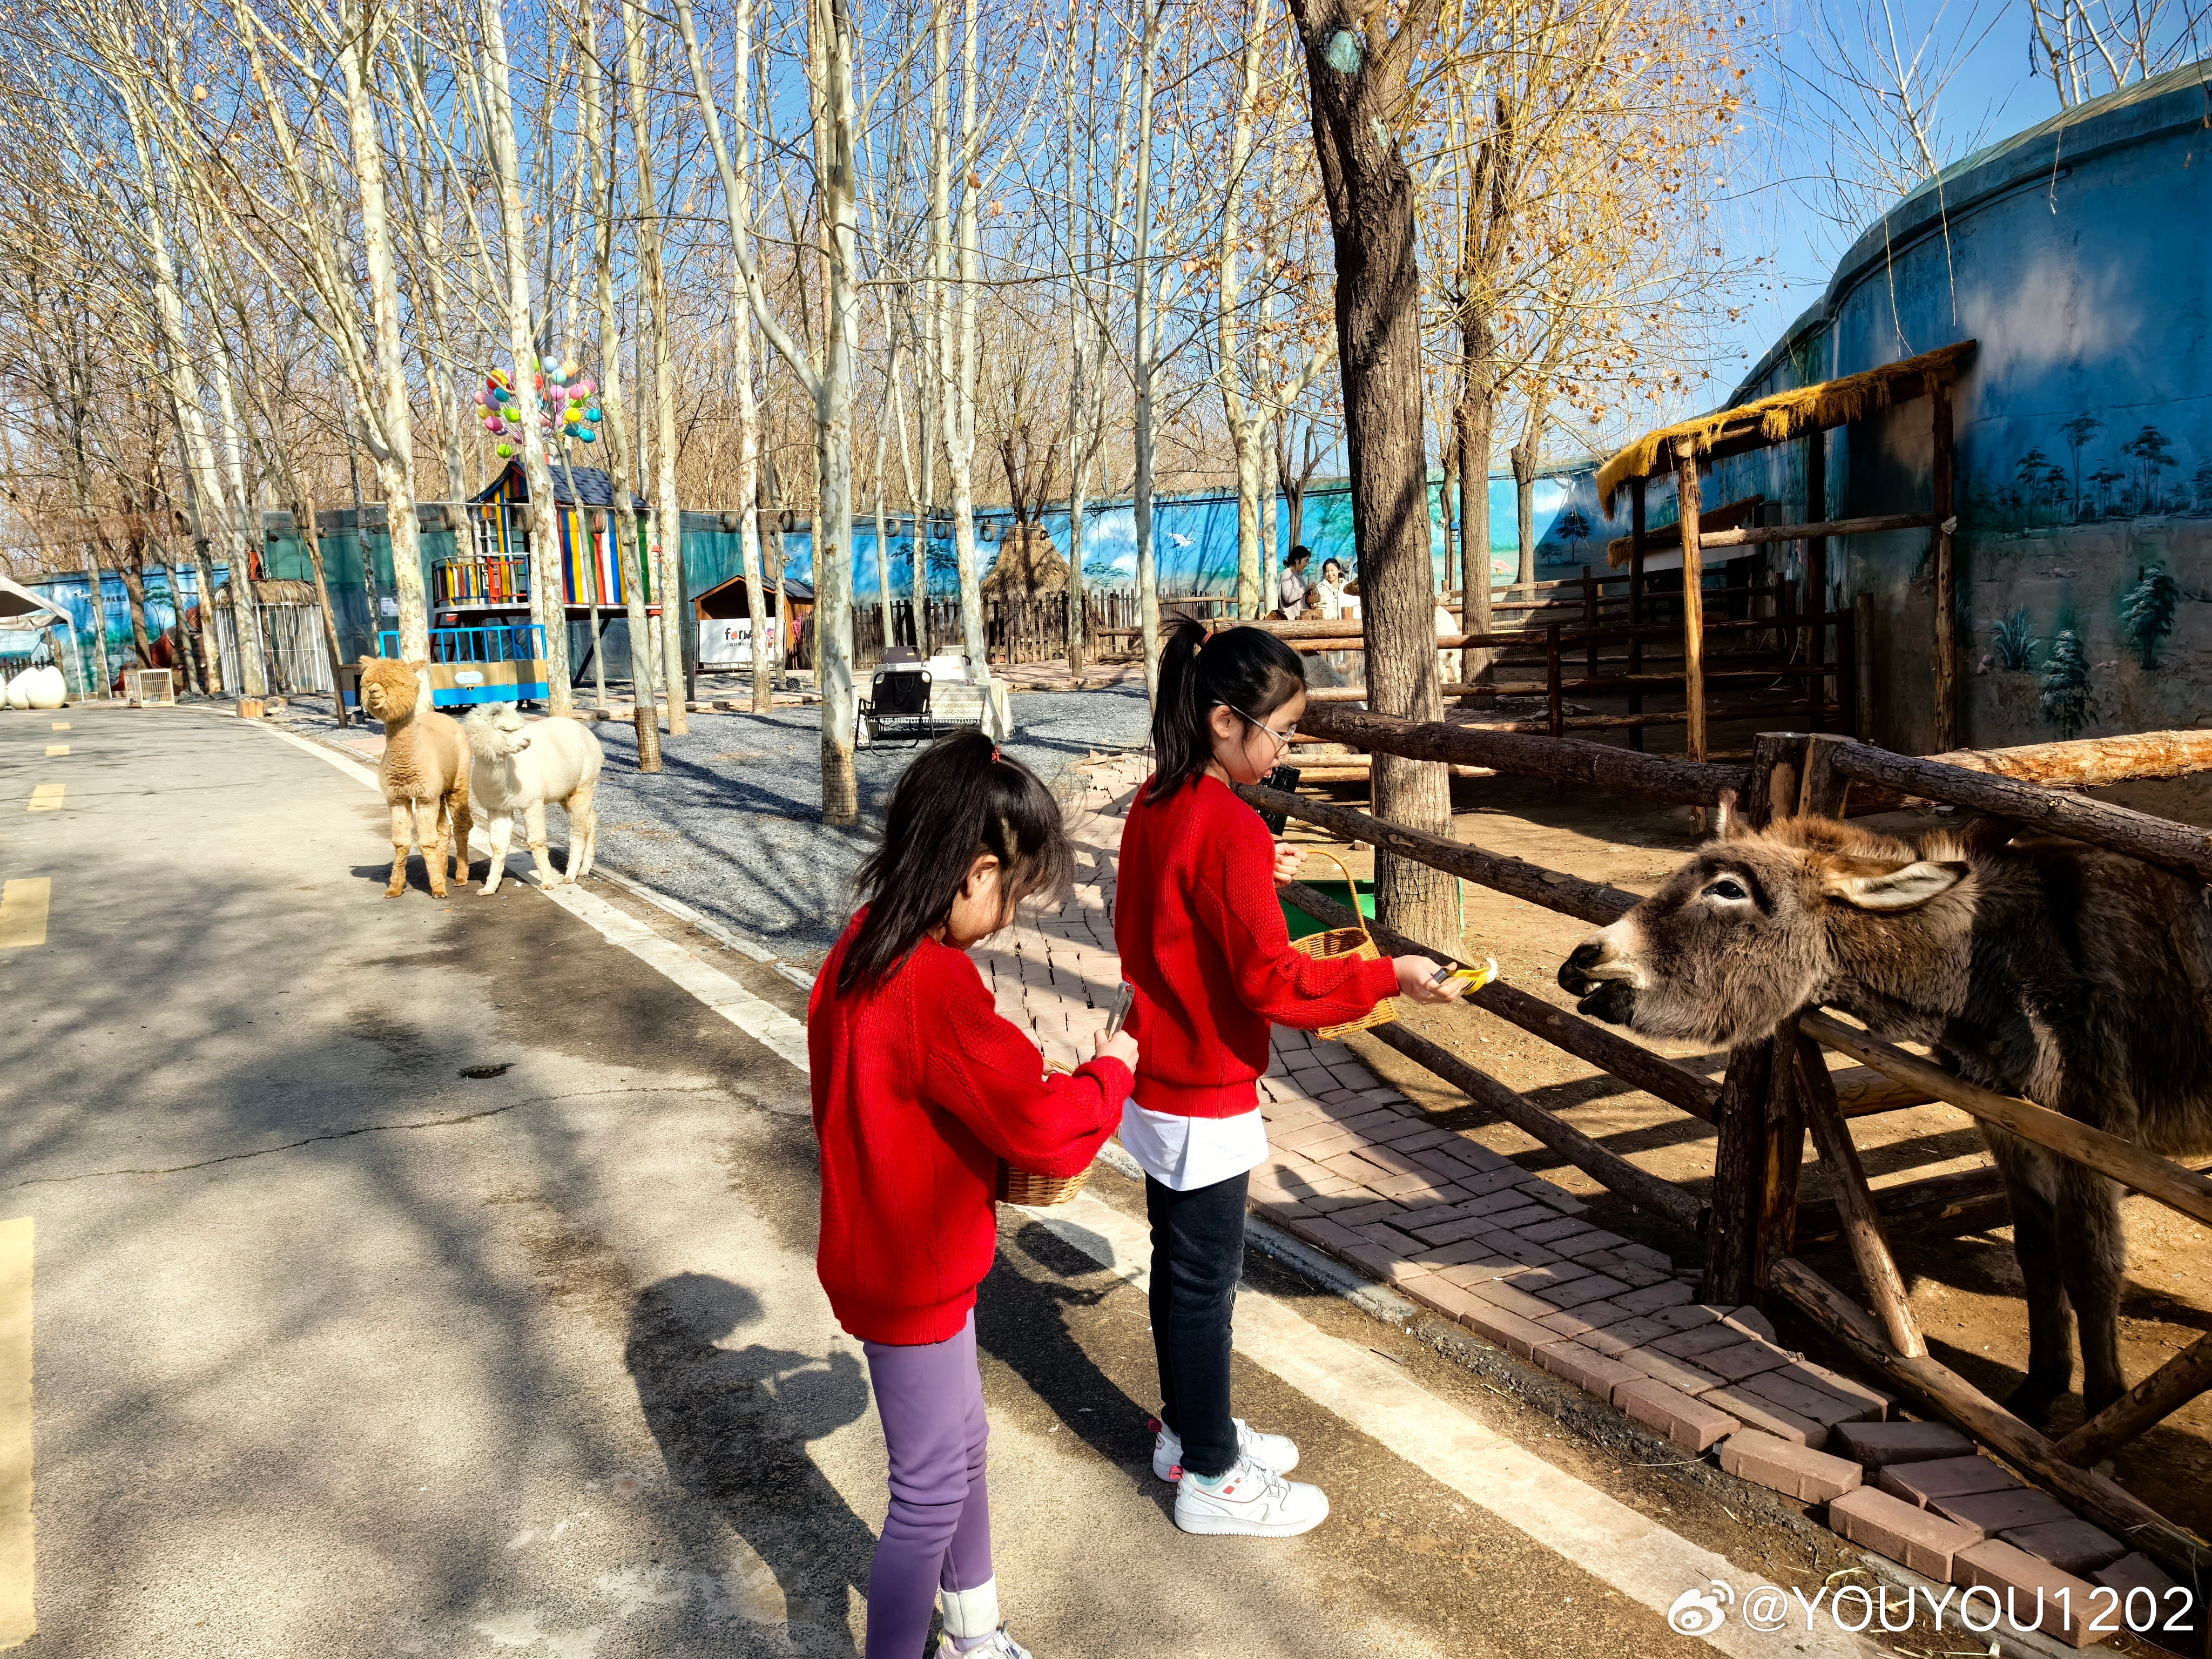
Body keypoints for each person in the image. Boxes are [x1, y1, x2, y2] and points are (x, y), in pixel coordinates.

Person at [1115, 621, 1459, 1537]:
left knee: (1177, 1270)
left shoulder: (1162, 798)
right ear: (1227, 721)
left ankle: (1194, 1434)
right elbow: (1274, 982)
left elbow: (1158, 908)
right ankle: (1212, 1475)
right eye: (1283, 730)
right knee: (1203, 1287)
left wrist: (1247, 868)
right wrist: (1388, 974)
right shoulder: (1222, 820)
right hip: (1203, 1084)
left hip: (1159, 1070)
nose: (1288, 748)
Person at [810, 730, 1140, 1658]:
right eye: (1011, 893)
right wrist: (1116, 1065)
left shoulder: (858, 948)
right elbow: (1038, 1124)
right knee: (926, 1491)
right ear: (975, 870)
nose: (1005, 917)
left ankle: (974, 1627)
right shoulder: (933, 984)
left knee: (961, 1455)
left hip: (897, 1251)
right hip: (910, 1267)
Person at [1277, 545, 1313, 619]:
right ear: (1297, 560)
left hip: (1301, 620)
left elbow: (1300, 599)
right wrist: (1306, 588)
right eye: (1306, 561)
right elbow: (1289, 597)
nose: (1307, 564)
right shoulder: (1287, 574)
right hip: (1292, 621)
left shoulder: (1298, 575)